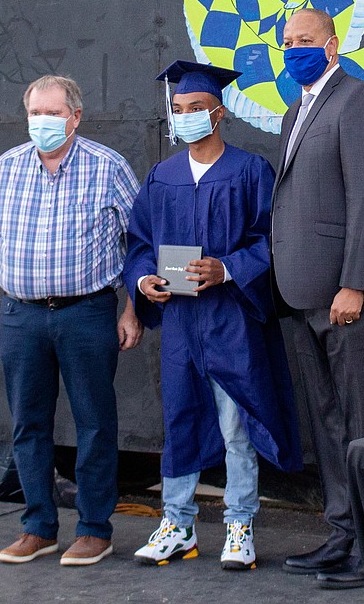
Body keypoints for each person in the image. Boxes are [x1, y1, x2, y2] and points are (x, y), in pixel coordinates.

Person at [124, 60, 303, 571]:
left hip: (232, 322)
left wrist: (227, 268)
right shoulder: (163, 176)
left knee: (236, 425)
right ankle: (177, 524)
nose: (185, 118)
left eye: (195, 109)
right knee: (180, 420)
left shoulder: (249, 171)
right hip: (181, 323)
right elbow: (139, 244)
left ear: (218, 113)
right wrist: (144, 282)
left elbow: (275, 240)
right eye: (178, 110)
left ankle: (239, 524)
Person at [0, 74, 142, 568]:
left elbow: (140, 243)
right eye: (35, 114)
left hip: (87, 312)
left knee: (94, 423)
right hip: (20, 315)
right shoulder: (5, 169)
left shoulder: (108, 167)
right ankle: (39, 526)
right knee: (29, 424)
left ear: (76, 117)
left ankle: (93, 529)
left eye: (52, 114)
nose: (42, 123)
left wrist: (132, 309)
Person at [270, 8, 364, 591]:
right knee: (326, 422)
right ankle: (342, 533)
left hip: (347, 297)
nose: (294, 49)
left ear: (332, 46)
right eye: (286, 42)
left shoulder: (358, 101)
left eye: (305, 40)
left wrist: (355, 282)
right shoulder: (295, 110)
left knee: (360, 423)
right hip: (301, 298)